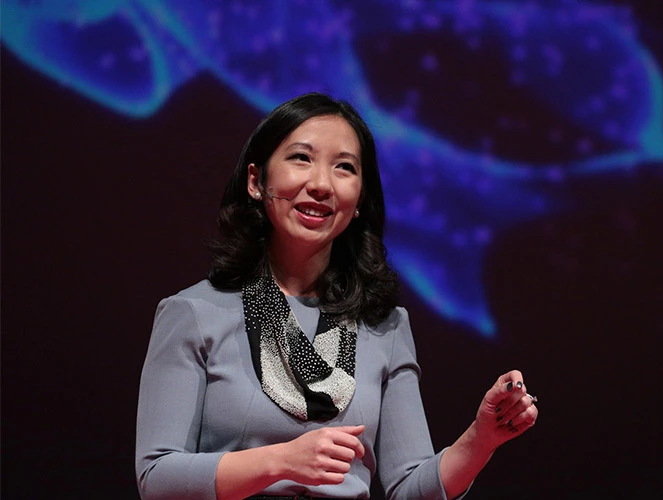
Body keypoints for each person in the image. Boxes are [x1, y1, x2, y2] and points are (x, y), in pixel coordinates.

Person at [135, 93, 538, 500]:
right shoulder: (194, 313)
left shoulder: (384, 325)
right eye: (301, 158)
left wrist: (480, 439)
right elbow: (157, 477)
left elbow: (408, 489)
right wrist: (280, 461)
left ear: (359, 198)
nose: (321, 184)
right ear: (256, 181)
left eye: (344, 167)